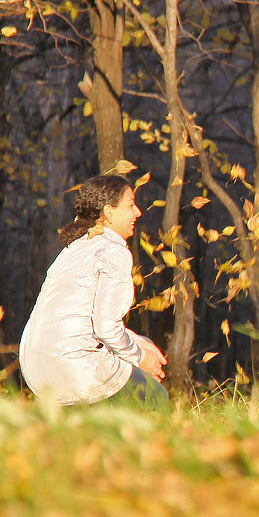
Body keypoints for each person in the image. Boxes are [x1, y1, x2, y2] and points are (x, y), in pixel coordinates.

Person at [20, 174, 168, 410]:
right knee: (155, 398)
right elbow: (106, 327)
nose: (138, 212)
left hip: (35, 369)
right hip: (75, 366)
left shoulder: (75, 247)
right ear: (108, 213)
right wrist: (140, 358)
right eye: (131, 205)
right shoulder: (113, 251)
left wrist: (140, 342)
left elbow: (87, 319)